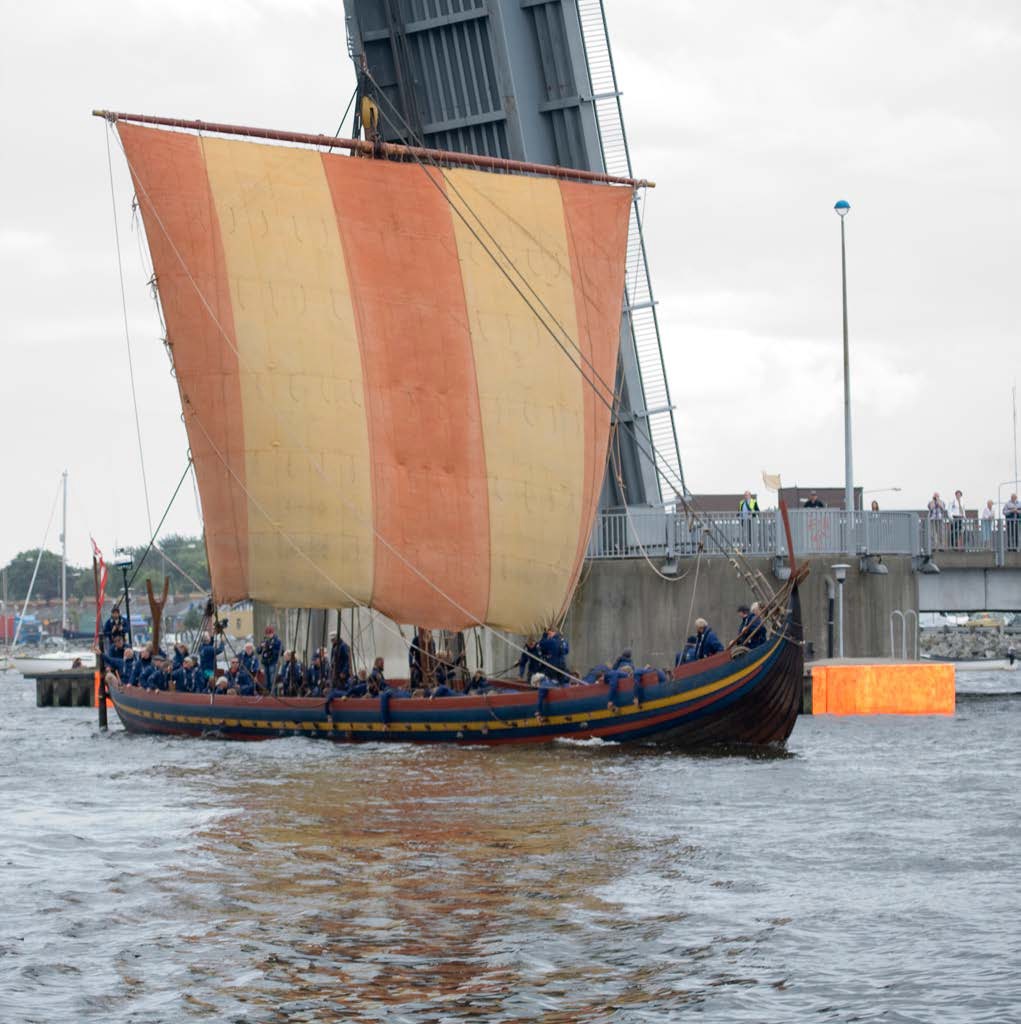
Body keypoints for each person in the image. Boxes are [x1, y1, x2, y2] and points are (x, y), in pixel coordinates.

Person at [259, 626, 282, 692]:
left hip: (273, 662)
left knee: (272, 679)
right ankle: (267, 693)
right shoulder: (264, 640)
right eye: (267, 634)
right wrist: (261, 646)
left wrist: (269, 646)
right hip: (266, 662)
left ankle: (273, 694)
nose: (268, 635)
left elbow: (280, 651)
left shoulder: (277, 641)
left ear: (273, 633)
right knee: (266, 680)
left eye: (269, 634)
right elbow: (258, 651)